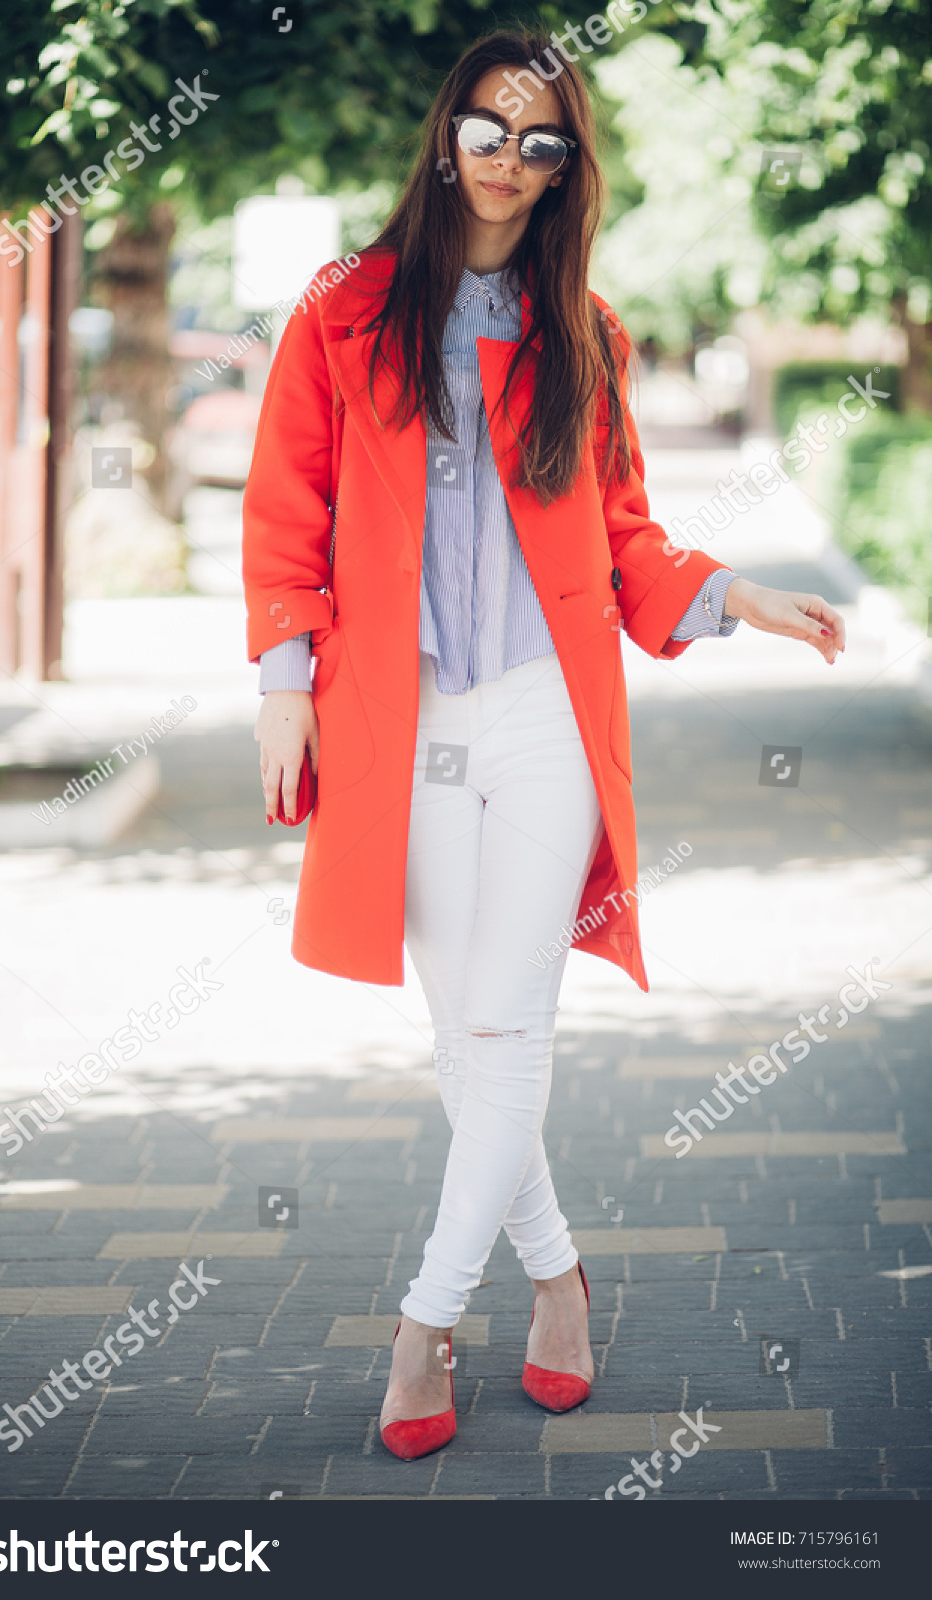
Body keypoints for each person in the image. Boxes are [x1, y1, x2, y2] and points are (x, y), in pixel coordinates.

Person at [243, 29, 845, 1462]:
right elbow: (286, 508)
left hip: (540, 722)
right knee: (465, 1041)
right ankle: (560, 1278)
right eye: (488, 127)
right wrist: (283, 681)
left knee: (506, 1028)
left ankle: (424, 1322)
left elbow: (622, 536)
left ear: (569, 168)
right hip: (405, 725)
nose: (510, 157)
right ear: (445, 130)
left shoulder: (585, 332)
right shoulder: (340, 310)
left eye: (542, 141)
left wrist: (735, 594)